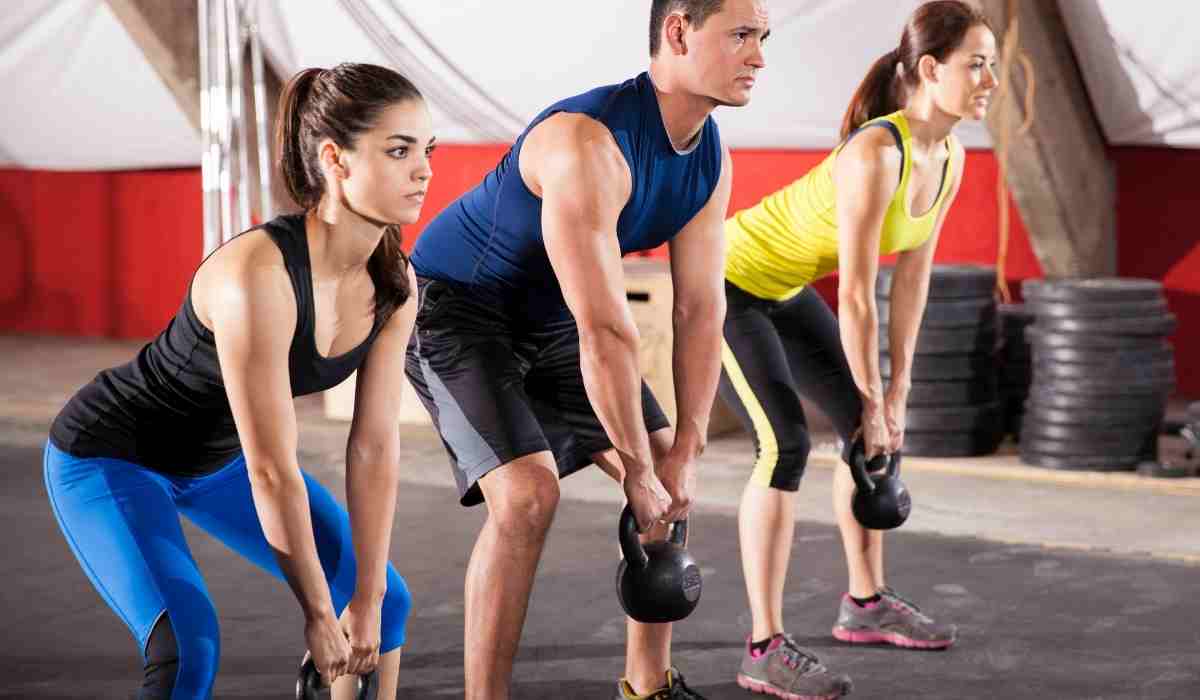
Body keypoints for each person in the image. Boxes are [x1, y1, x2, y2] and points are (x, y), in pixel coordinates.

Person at [404, 1, 768, 697]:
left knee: (667, 477)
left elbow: (699, 308)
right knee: (527, 496)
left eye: (763, 38)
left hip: (555, 320)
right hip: (458, 310)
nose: (758, 57)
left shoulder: (710, 158)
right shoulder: (588, 143)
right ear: (678, 31)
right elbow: (606, 330)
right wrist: (633, 466)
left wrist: (685, 446)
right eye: (742, 36)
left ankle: (646, 683)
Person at [43, 62, 434, 699]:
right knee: (188, 646)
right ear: (335, 160)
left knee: (386, 609)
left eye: (427, 150)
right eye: (399, 150)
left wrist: (363, 596)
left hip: (219, 459)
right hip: (114, 457)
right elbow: (273, 470)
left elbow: (374, 445)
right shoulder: (258, 275)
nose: (423, 170)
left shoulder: (393, 283)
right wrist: (317, 615)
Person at [718, 2, 997, 697]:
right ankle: (763, 644)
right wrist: (872, 394)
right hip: (723, 281)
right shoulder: (878, 151)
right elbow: (855, 292)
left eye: (993, 63)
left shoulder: (950, 154)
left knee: (865, 440)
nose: (990, 78)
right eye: (977, 64)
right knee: (783, 446)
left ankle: (864, 604)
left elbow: (913, 281)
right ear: (931, 70)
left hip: (781, 287)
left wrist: (894, 393)